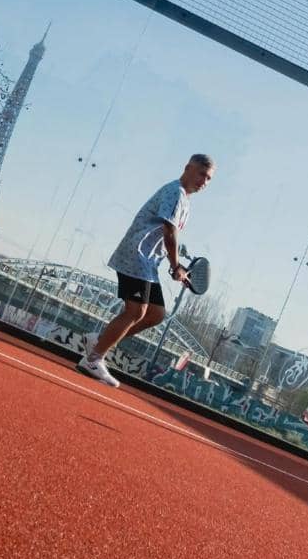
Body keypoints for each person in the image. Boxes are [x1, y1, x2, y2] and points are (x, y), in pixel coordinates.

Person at [77, 153, 216, 387]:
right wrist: (175, 266)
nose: (204, 181)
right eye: (201, 173)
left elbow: (166, 238)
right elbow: (169, 233)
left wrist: (176, 266)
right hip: (136, 256)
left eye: (209, 178)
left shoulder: (185, 201)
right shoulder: (175, 193)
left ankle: (100, 341)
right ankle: (93, 358)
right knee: (136, 312)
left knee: (155, 315)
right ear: (187, 168)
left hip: (149, 262)